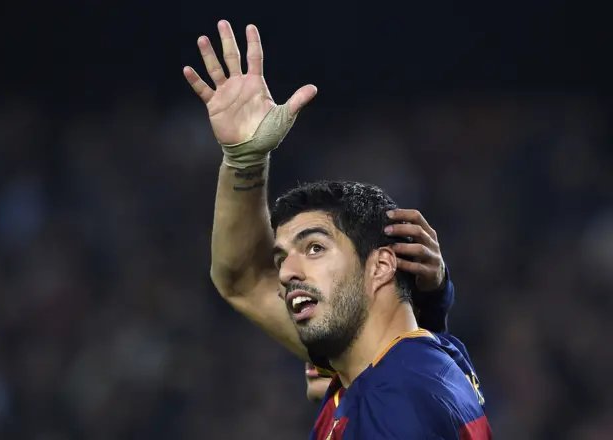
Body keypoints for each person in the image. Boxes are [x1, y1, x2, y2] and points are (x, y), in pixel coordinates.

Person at [183, 20, 491, 439]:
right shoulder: (382, 370)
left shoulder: (399, 396)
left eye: (314, 248)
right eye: (282, 257)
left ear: (381, 266)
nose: (286, 273)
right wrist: (243, 158)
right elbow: (244, 280)